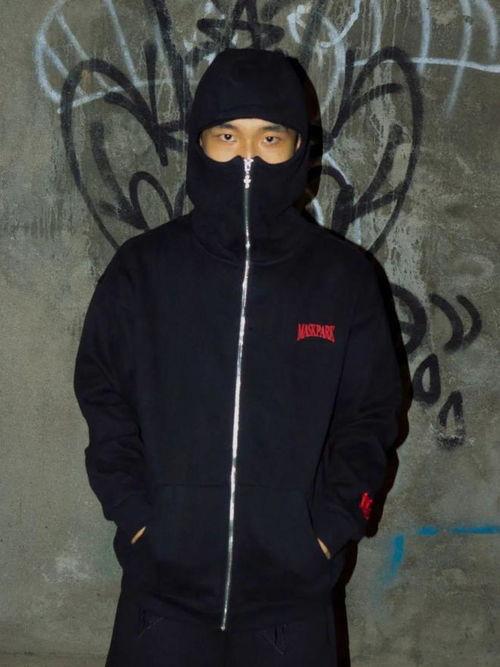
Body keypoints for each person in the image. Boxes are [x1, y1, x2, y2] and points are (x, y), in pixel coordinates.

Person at [73, 47, 402, 666]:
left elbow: (372, 414)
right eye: (227, 136)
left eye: (269, 138)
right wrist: (136, 516)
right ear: (199, 143)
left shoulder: (344, 279)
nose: (248, 157)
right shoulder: (143, 270)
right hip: (160, 602)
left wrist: (330, 530)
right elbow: (102, 394)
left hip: (292, 608)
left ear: (299, 148)